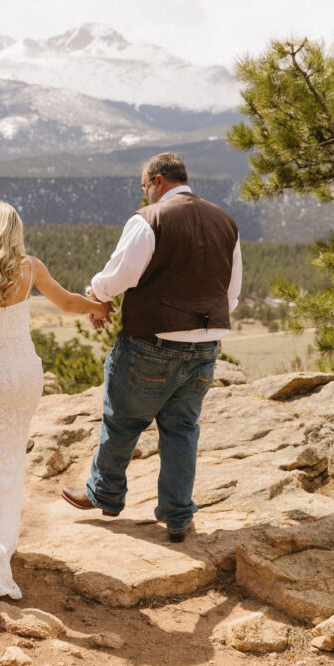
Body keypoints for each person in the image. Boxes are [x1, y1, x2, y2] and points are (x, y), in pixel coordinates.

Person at [61, 152, 242, 542]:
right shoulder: (226, 222)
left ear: (158, 181)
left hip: (152, 343)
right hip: (206, 345)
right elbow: (232, 293)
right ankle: (178, 516)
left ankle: (105, 494)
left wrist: (97, 296)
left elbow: (120, 275)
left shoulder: (149, 220)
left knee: (122, 419)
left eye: (144, 186)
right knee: (181, 429)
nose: (144, 194)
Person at [0, 201, 108, 601]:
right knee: (11, 459)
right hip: (25, 376)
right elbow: (66, 301)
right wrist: (99, 306)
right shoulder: (30, 267)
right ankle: (4, 545)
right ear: (15, 233)